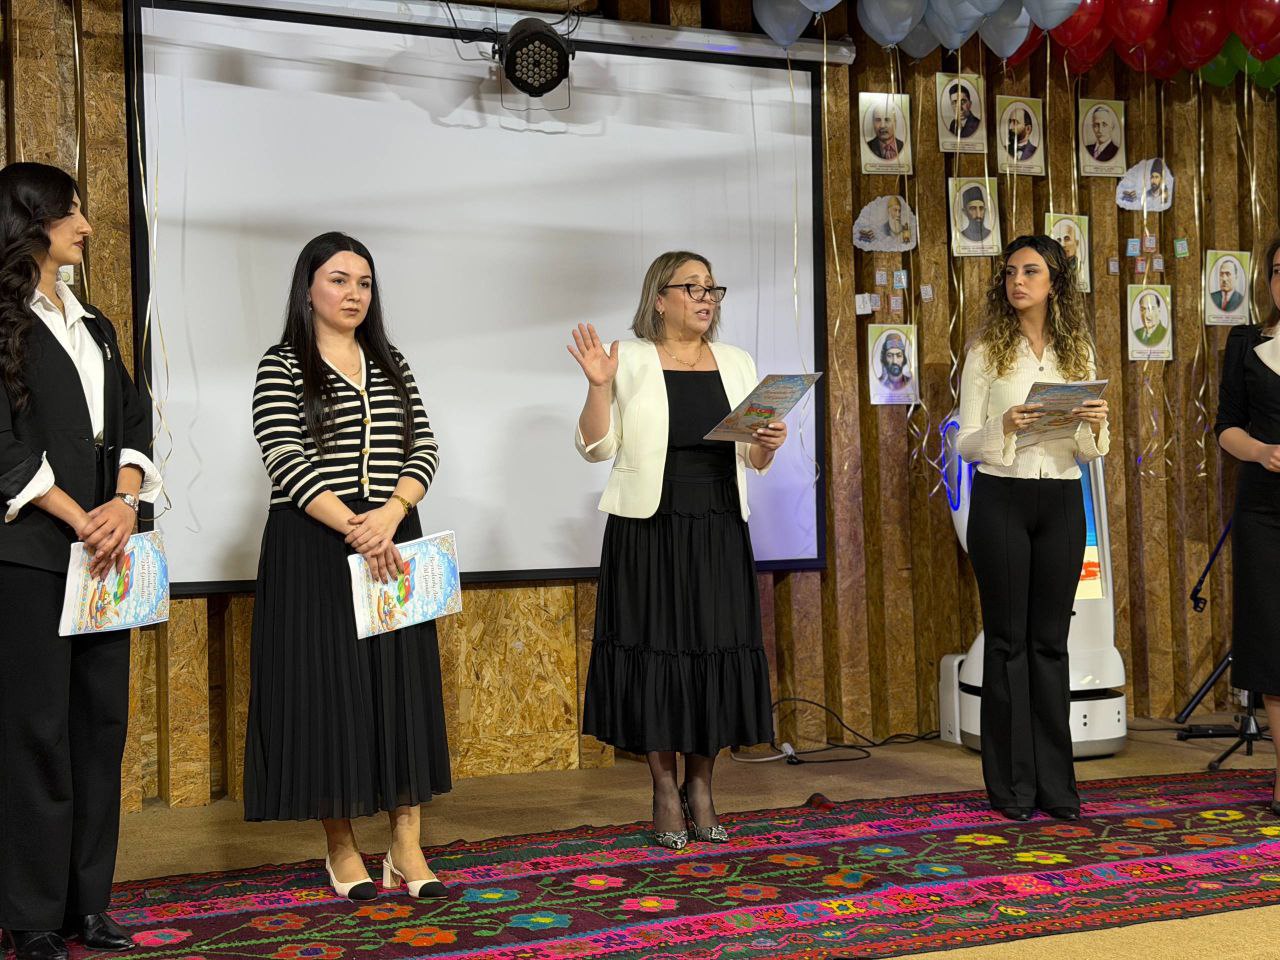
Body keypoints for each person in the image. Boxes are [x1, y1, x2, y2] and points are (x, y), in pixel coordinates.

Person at [244, 232, 450, 901]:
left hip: (394, 535)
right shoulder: (281, 364)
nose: (353, 293)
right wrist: (358, 528)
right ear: (308, 289)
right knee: (328, 695)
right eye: (338, 279)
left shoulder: (391, 361)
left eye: (364, 282)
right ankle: (340, 847)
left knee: (401, 690)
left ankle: (406, 845)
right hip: (315, 544)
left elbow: (424, 447)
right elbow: (285, 457)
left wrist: (392, 513)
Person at [0, 162, 162, 960]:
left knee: (100, 728)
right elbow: (4, 447)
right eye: (70, 212)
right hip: (32, 557)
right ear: (30, 220)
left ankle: (86, 906)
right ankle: (30, 914)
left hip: (106, 557)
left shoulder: (93, 322)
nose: (86, 225)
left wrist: (125, 503)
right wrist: (78, 518)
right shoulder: (3, 318)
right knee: (37, 734)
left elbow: (134, 418)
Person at [569, 251, 785, 849]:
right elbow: (595, 447)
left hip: (718, 524)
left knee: (712, 651)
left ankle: (702, 786)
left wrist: (769, 443)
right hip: (650, 527)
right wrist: (598, 386)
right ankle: (664, 787)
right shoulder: (628, 357)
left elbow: (753, 457)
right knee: (658, 652)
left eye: (711, 287)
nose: (705, 297)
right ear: (659, 299)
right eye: (691, 287)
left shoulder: (737, 362)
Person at [956, 234, 1109, 822]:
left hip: (1063, 499)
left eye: (1030, 271)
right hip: (1002, 498)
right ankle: (1012, 787)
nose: (1017, 281)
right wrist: (1005, 423)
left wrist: (1096, 421)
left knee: (1049, 643)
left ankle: (1056, 785)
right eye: (1010, 273)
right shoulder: (986, 351)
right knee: (1007, 643)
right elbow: (965, 441)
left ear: (1055, 282)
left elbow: (1090, 449)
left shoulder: (1077, 351)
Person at [1216, 234, 1280, 819]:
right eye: (1279, 271)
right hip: (1264, 508)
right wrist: (1260, 451)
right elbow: (1226, 426)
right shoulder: (1246, 342)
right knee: (1270, 641)